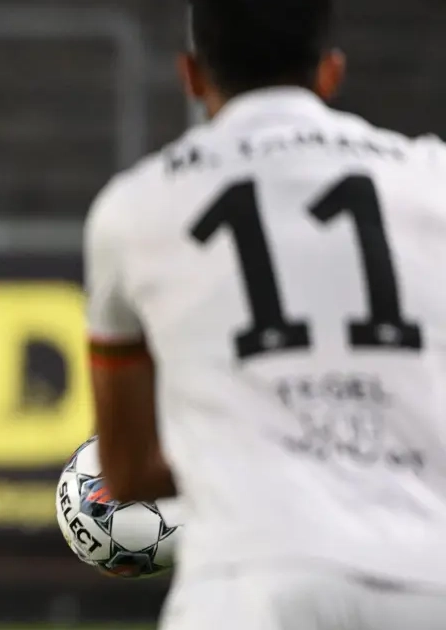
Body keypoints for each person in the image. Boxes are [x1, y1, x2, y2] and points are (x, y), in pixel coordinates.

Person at [85, 0, 446, 628]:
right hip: (427, 575)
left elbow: (129, 471)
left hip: (248, 580)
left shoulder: (133, 207)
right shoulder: (432, 176)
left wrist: (239, 451)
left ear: (192, 75)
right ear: (331, 71)